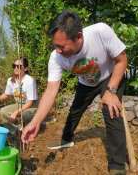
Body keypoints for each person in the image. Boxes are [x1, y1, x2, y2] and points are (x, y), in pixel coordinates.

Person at [21, 10, 128, 175]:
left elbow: (122, 60)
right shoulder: (56, 57)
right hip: (86, 82)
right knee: (75, 110)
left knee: (111, 110)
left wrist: (111, 90)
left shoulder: (100, 32)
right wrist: (35, 122)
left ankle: (118, 165)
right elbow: (51, 91)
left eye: (61, 46)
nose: (57, 50)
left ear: (78, 37)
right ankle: (66, 139)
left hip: (111, 76)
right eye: (55, 45)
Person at [0, 57, 38, 128]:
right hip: (19, 105)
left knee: (24, 115)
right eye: (14, 66)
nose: (15, 68)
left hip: (31, 107)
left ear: (25, 69)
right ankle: (10, 128)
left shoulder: (30, 81)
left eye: (19, 66)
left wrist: (16, 112)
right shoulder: (10, 80)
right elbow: (6, 94)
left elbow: (30, 103)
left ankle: (30, 127)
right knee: (3, 111)